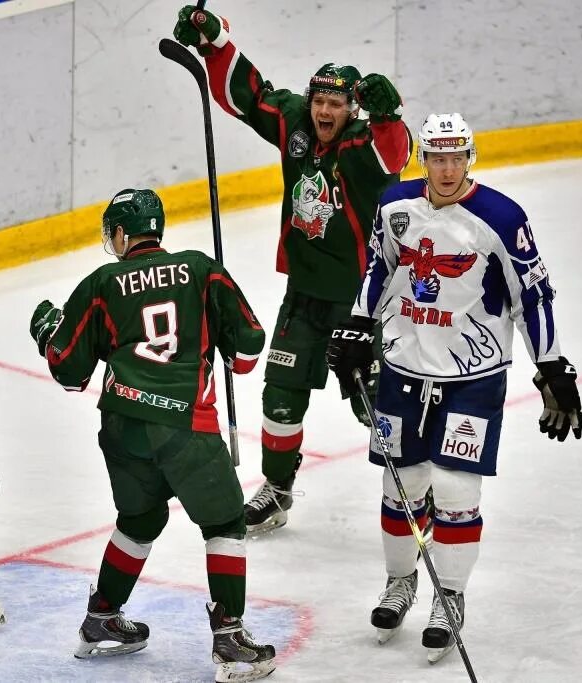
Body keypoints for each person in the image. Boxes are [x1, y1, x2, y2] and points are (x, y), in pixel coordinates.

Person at [326, 113, 582, 662]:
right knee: (402, 487)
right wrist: (356, 325)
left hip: (474, 376)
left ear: (471, 158)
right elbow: (380, 267)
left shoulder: (500, 217)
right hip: (402, 367)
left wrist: (553, 366)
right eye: (436, 158)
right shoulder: (395, 206)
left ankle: (451, 596)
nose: (446, 169)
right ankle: (401, 582)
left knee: (456, 492)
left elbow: (531, 296)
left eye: (456, 158)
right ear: (424, 160)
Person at [173, 6, 413, 532]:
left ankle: (412, 489)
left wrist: (390, 112)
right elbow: (250, 96)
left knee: (372, 404)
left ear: (353, 109)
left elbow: (395, 157)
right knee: (280, 395)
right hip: (304, 295)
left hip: (359, 303)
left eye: (336, 104)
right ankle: (279, 490)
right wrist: (214, 43)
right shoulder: (298, 126)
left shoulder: (361, 145)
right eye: (319, 100)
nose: (324, 111)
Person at [29, 189, 275, 682]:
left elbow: (69, 371)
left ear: (122, 234)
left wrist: (47, 331)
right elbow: (249, 349)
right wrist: (223, 343)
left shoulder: (101, 282)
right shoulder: (201, 270)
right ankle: (228, 635)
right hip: (184, 423)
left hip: (121, 423)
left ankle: (101, 616)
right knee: (225, 521)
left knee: (140, 518)